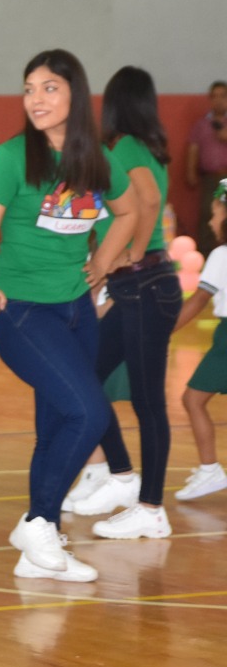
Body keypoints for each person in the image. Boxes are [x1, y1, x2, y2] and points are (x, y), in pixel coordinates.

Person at [0, 48, 135, 582]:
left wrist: (103, 263)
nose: (35, 99)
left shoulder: (95, 161)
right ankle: (39, 522)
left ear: (74, 95)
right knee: (89, 412)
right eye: (28, 89)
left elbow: (132, 211)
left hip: (76, 310)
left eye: (48, 88)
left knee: (57, 422)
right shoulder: (11, 157)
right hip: (20, 311)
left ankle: (37, 549)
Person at [61, 67, 179, 534]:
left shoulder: (125, 147)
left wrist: (129, 253)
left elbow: (147, 203)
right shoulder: (149, 149)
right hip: (141, 286)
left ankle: (151, 511)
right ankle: (123, 475)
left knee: (149, 402)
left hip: (146, 283)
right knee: (87, 380)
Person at [173, 183, 227, 504]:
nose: (209, 222)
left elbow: (197, 302)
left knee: (193, 400)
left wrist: (162, 332)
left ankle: (210, 470)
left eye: (214, 214)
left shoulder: (221, 255)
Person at [185, 80, 227, 253]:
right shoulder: (201, 124)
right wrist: (190, 171)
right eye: (214, 96)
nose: (218, 100)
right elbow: (193, 148)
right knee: (208, 216)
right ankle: (205, 257)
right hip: (210, 178)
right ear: (209, 99)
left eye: (222, 96)